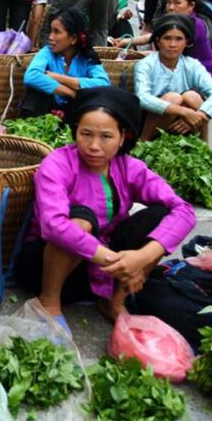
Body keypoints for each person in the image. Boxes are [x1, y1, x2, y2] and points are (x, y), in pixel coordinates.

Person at [15, 87, 196, 333]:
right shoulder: (57, 164)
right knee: (82, 219)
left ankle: (113, 301)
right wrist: (115, 261)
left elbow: (184, 210)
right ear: (75, 131)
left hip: (104, 271)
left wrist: (140, 259)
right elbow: (53, 226)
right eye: (85, 134)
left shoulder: (129, 167)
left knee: (160, 215)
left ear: (122, 137)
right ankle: (49, 302)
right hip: (48, 268)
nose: (94, 146)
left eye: (106, 136)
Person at [135, 14, 212, 141]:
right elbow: (143, 98)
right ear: (158, 41)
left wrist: (200, 114)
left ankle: (204, 144)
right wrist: (183, 112)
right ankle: (143, 141)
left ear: (186, 42)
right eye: (167, 38)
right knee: (174, 97)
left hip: (183, 121)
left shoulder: (192, 65)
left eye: (179, 39)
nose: (172, 44)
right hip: (151, 118)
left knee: (193, 97)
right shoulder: (146, 64)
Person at [22, 9, 109, 117]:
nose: (50, 37)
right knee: (34, 93)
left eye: (57, 32)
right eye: (51, 31)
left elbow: (103, 84)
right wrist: (71, 93)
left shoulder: (88, 58)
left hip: (75, 112)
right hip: (47, 111)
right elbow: (31, 76)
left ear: (73, 38)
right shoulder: (47, 52)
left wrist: (59, 78)